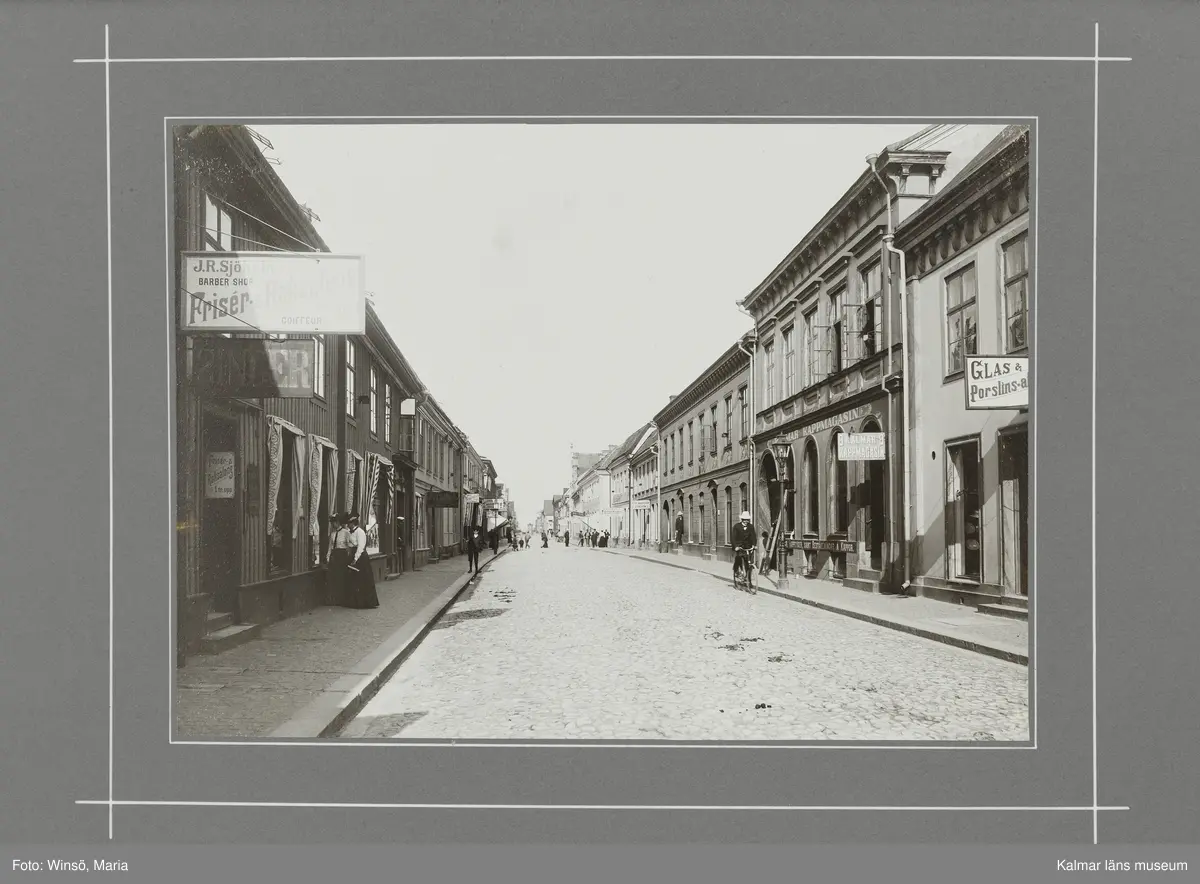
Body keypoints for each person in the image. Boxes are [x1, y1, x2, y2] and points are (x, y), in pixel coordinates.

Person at [345, 514, 380, 609]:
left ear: (353, 523)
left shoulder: (360, 532)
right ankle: (355, 602)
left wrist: (355, 559)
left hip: (360, 557)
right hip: (352, 555)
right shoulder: (349, 532)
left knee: (362, 579)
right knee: (353, 580)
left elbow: (360, 547)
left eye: (349, 523)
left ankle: (366, 602)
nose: (348, 525)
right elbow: (349, 545)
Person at [325, 513, 352, 606]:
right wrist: (328, 557)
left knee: (342, 577)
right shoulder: (332, 534)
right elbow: (330, 546)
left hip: (342, 556)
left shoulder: (346, 533)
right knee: (334, 577)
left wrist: (349, 558)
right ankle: (335, 599)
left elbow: (349, 546)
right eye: (332, 523)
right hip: (335, 556)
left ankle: (342, 599)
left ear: (338, 522)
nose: (333, 525)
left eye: (334, 522)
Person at [731, 511, 757, 584]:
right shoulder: (737, 526)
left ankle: (749, 581)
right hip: (739, 546)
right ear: (742, 519)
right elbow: (733, 537)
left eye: (747, 520)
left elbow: (753, 536)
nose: (746, 521)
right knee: (739, 558)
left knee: (748, 563)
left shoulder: (751, 526)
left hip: (748, 546)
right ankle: (736, 571)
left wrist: (754, 545)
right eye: (744, 519)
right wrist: (736, 546)